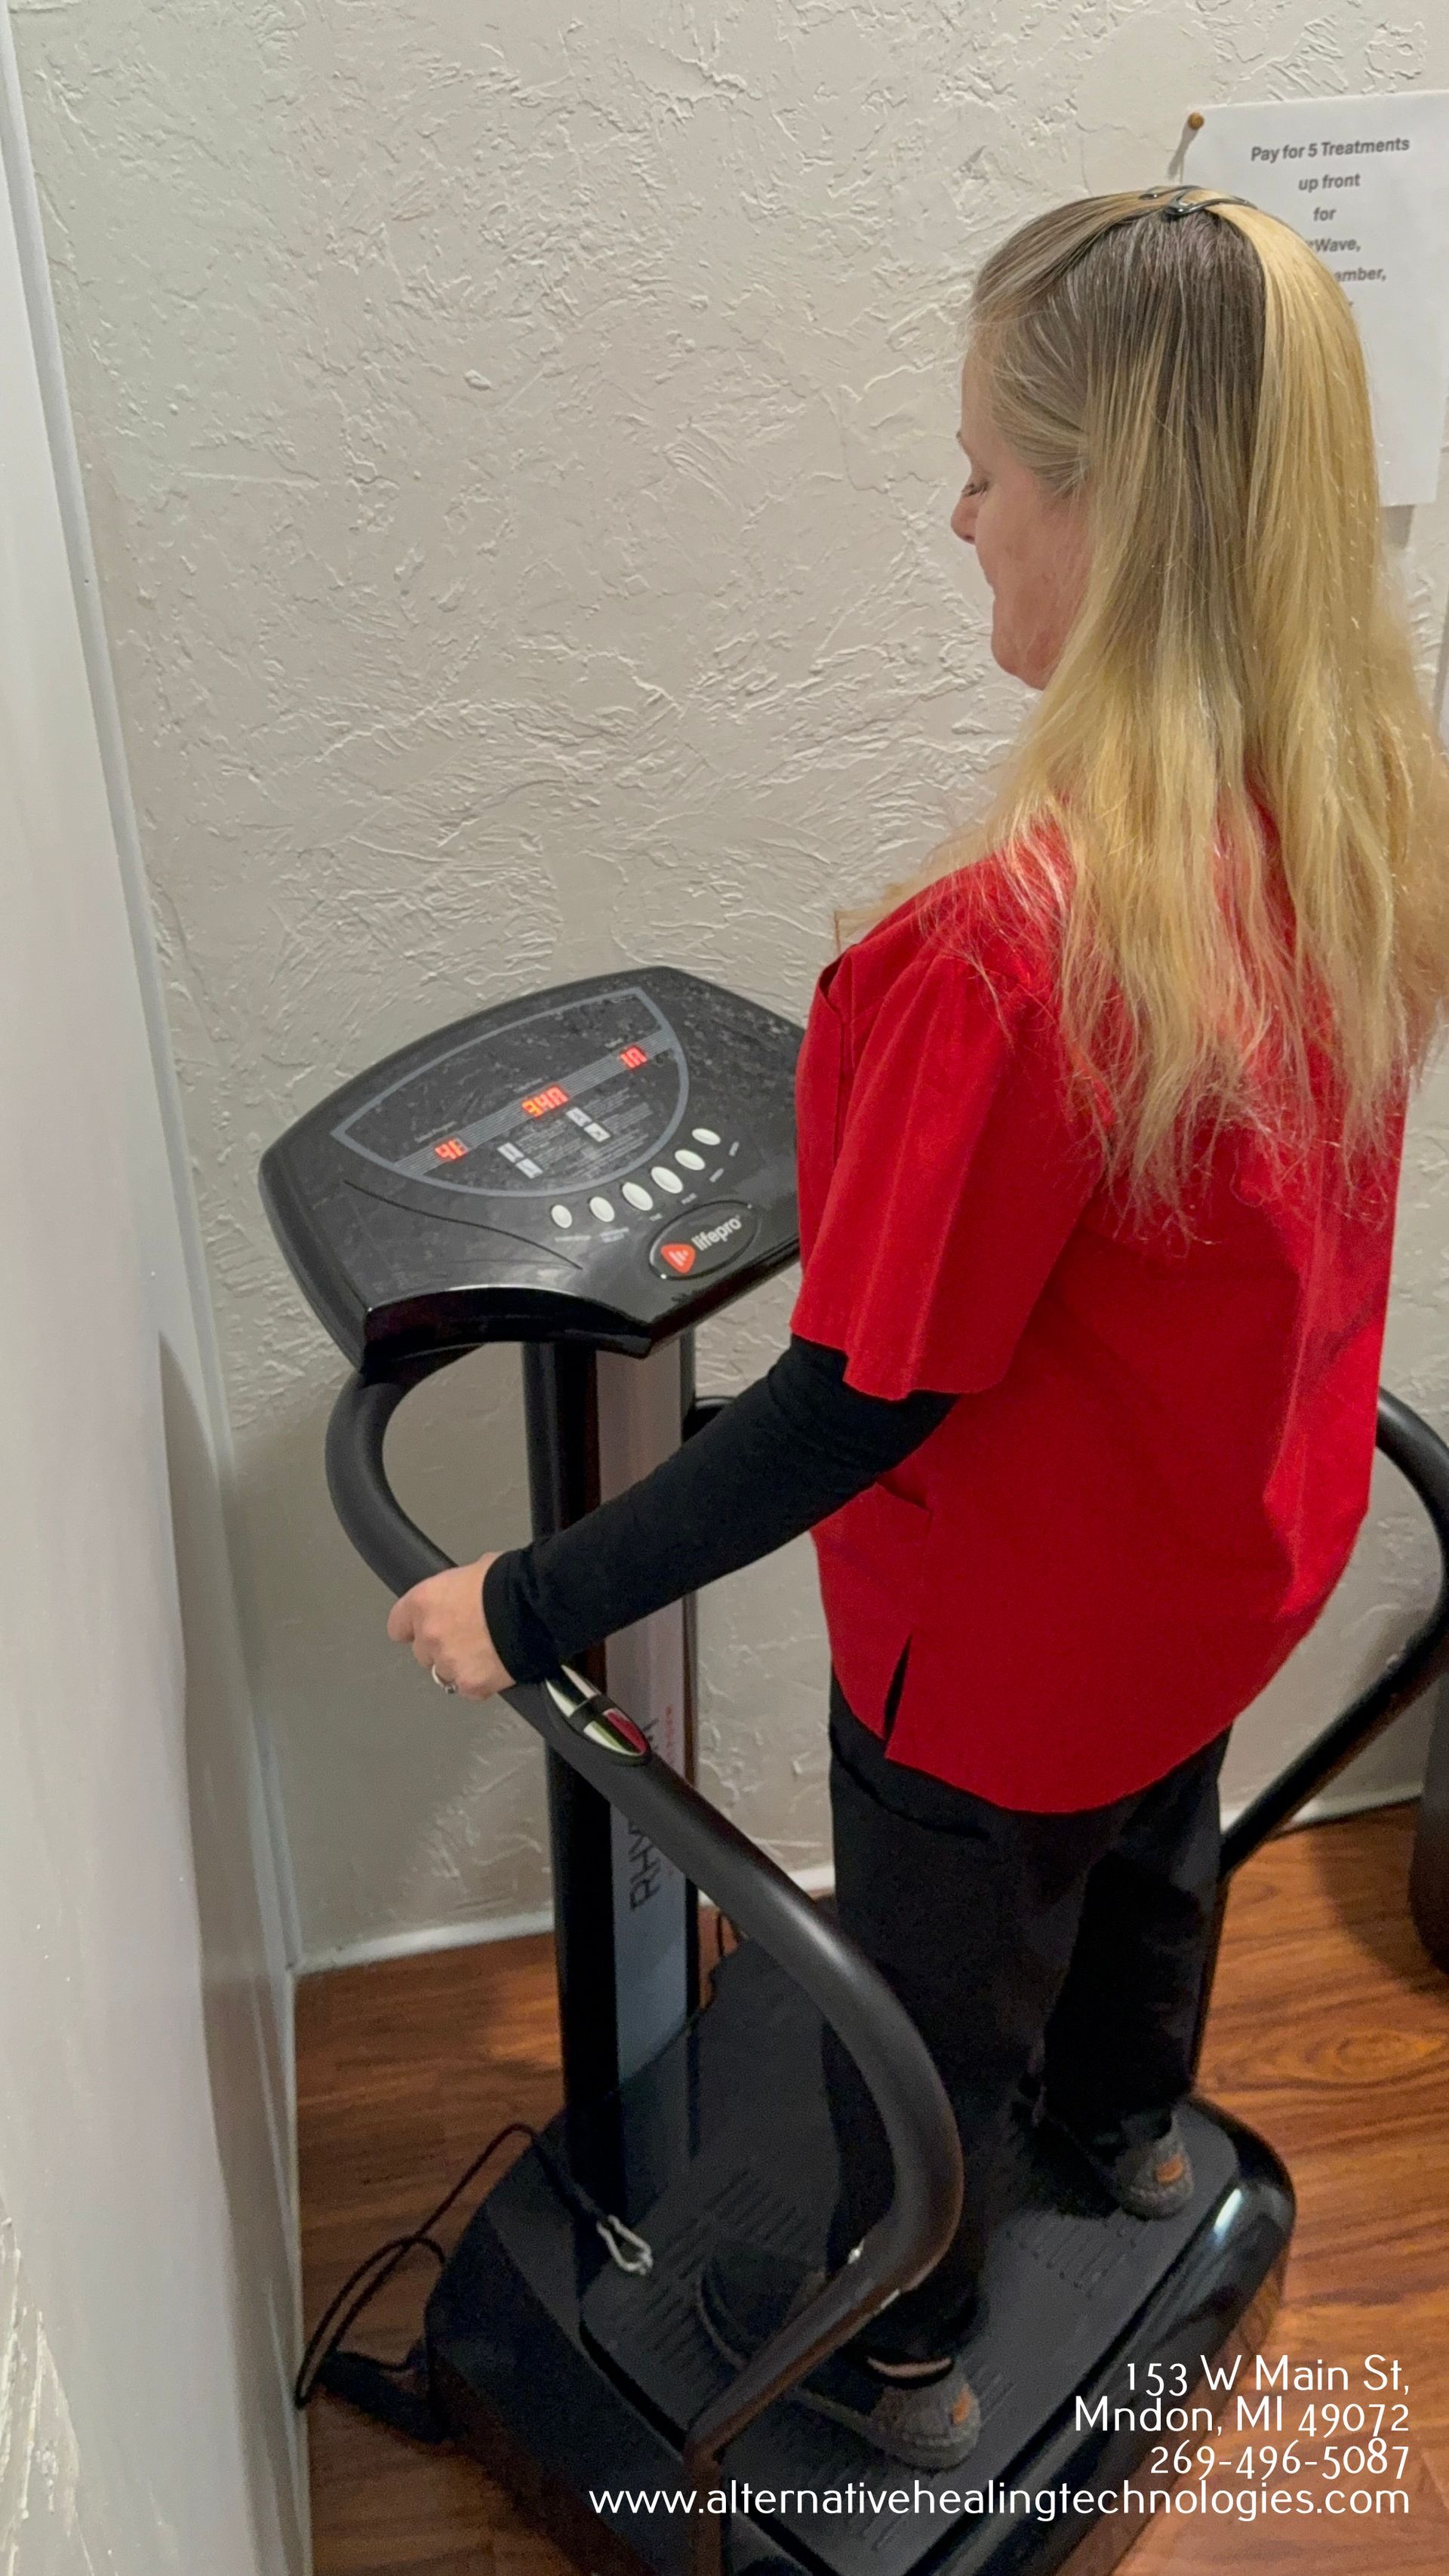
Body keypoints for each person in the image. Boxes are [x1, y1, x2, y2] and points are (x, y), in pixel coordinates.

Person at [385, 186, 1449, 2470]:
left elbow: (851, 1404)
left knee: (928, 2009)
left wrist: (525, 1598)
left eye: (990, 465)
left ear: (1114, 512)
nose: (958, 511)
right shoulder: (1363, 815)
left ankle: (909, 2351)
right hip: (1235, 1562)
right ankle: (1139, 2144)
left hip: (996, 1663)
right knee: (1157, 1863)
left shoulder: (1004, 956)